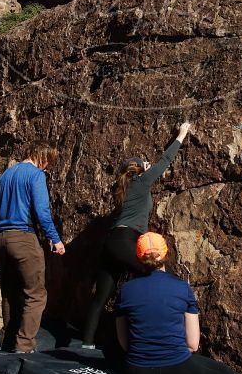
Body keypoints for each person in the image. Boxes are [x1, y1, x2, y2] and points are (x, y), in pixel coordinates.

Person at [116, 232, 242, 374]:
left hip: (137, 369)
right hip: (176, 365)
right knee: (221, 372)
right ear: (167, 254)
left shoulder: (126, 290)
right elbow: (193, 345)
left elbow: (124, 344)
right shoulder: (181, 287)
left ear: (138, 258)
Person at [82, 121, 192, 348]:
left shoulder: (121, 189)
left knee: (100, 298)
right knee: (155, 279)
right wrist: (181, 134)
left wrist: (142, 167)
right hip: (127, 241)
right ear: (140, 170)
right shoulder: (141, 183)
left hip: (111, 243)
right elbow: (165, 161)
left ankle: (86, 346)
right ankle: (159, 339)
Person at [0, 140, 65, 353]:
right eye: (48, 162)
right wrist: (55, 238)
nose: (47, 167)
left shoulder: (5, 175)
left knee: (10, 292)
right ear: (42, 156)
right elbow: (42, 212)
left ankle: (7, 343)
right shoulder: (36, 175)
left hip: (1, 237)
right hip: (23, 238)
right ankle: (24, 346)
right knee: (36, 294)